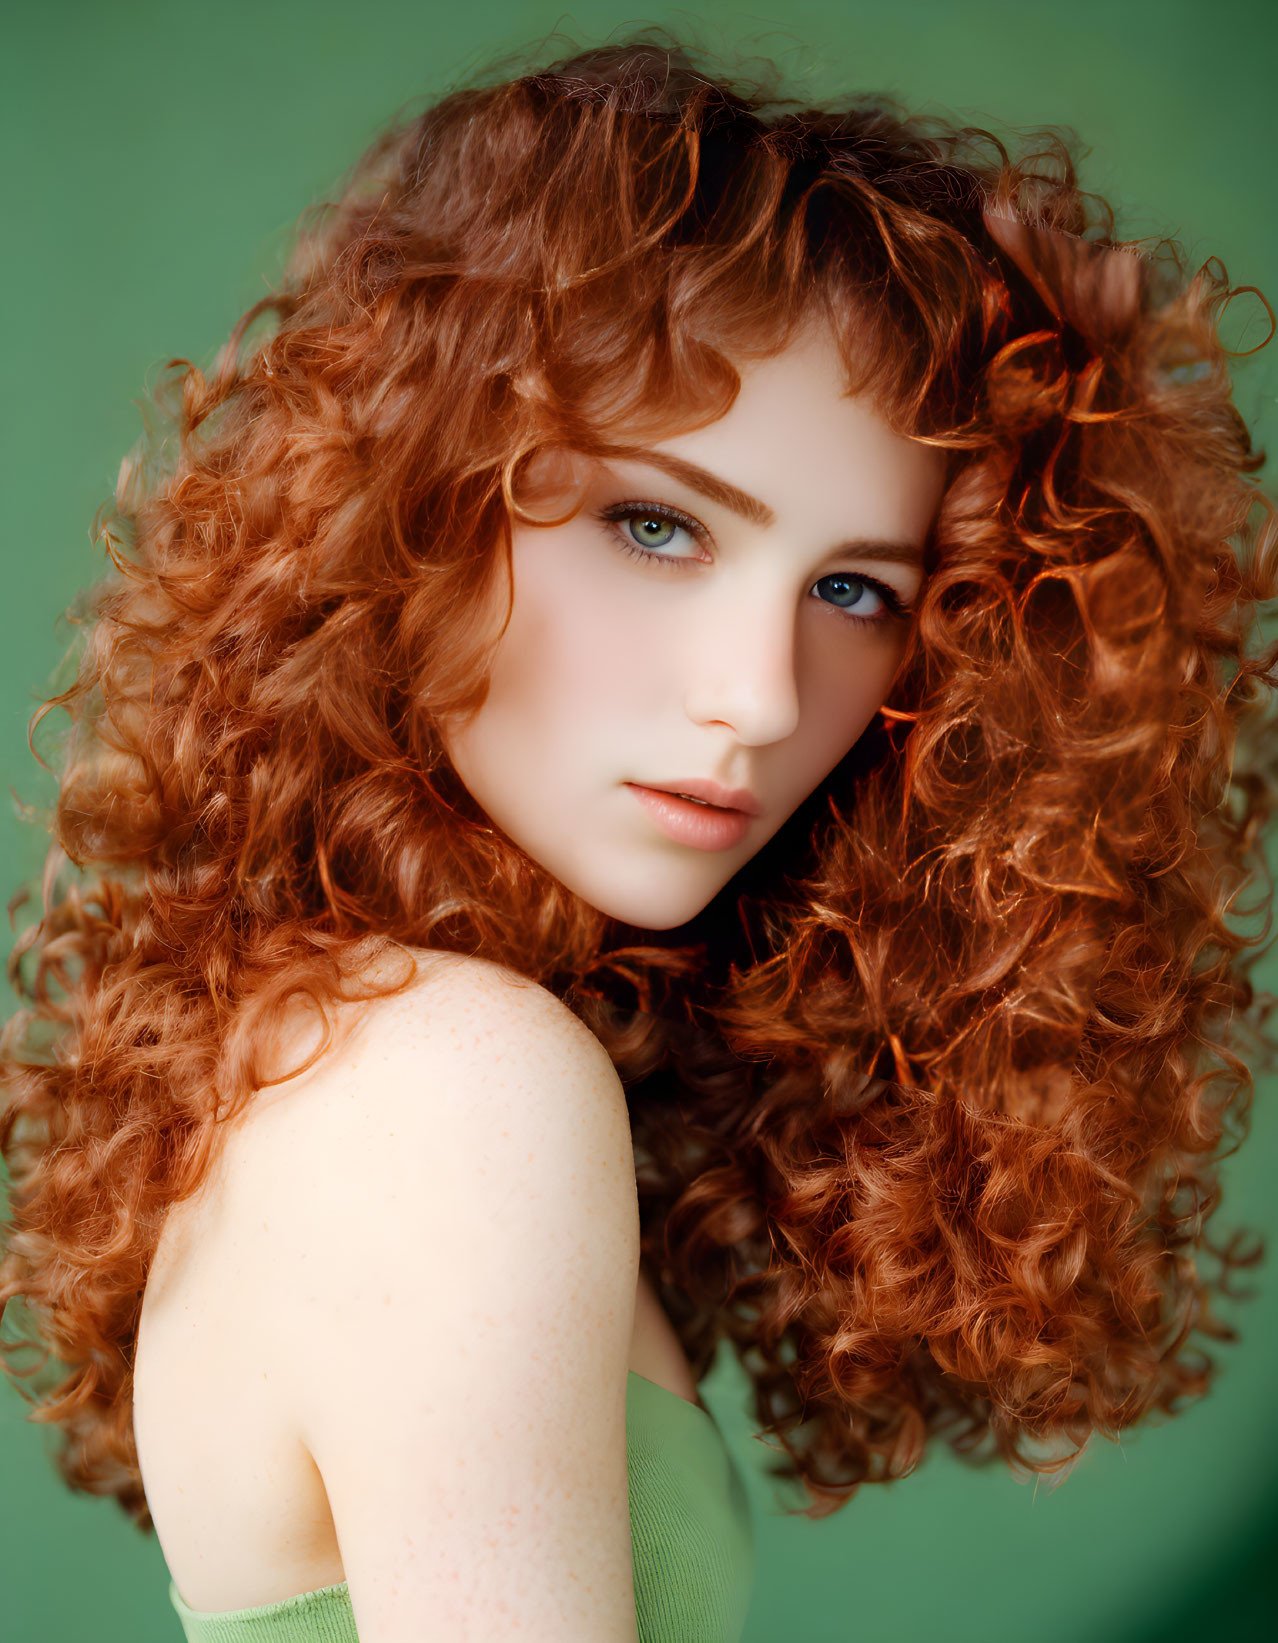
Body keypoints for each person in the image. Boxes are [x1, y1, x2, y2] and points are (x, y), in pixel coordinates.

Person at [2, 29, 1275, 1643]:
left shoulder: (365, 1051)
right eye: (654, 524)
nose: (754, 698)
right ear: (413, 502)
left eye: (854, 590)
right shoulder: (450, 1085)